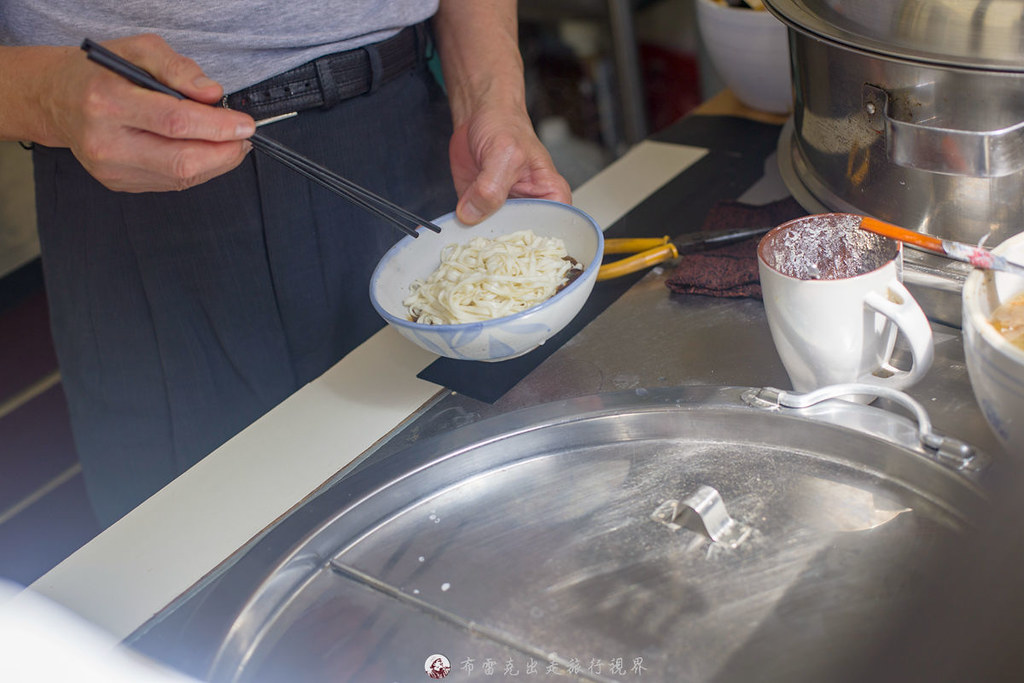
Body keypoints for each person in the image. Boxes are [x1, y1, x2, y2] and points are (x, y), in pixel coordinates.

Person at [0, 1, 572, 526]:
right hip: (135, 183)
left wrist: (489, 97)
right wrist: (42, 96)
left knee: (473, 507)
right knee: (197, 547)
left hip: (400, 133)